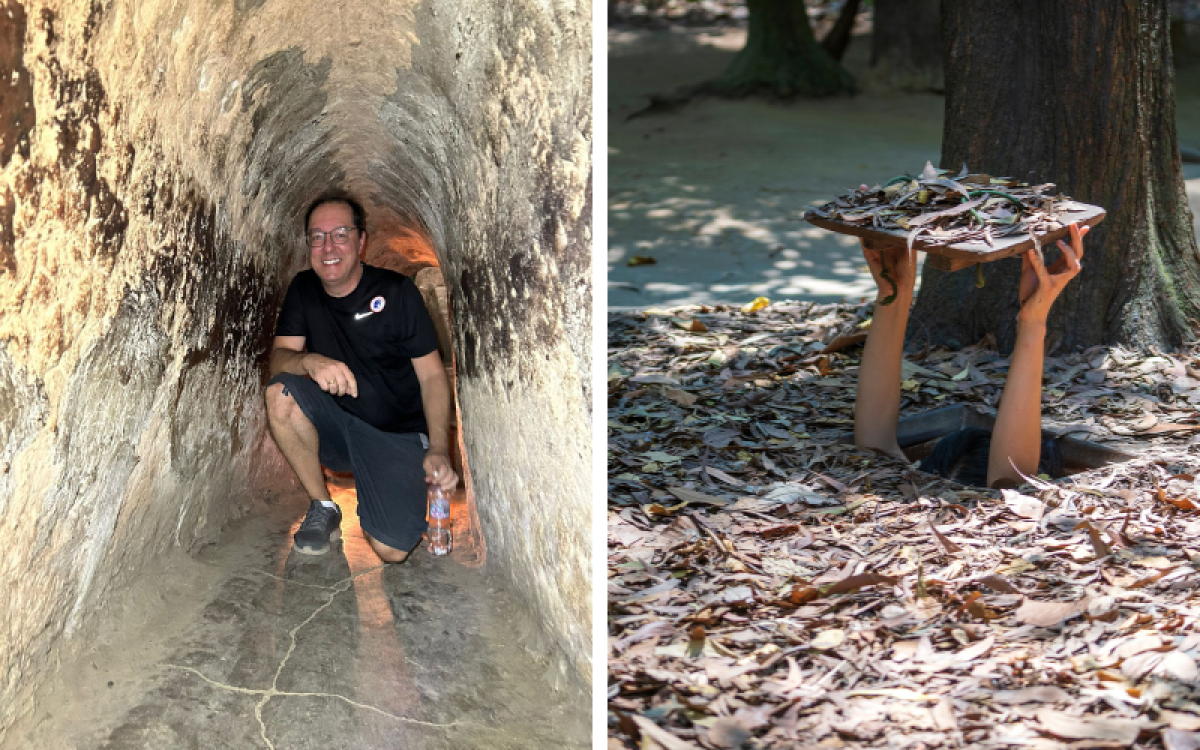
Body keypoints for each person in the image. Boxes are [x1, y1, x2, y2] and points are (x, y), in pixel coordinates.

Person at [264, 191, 459, 561]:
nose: (328, 246)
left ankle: (387, 484)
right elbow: (278, 360)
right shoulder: (303, 289)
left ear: (361, 240)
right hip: (338, 427)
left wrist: (438, 447)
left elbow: (433, 377)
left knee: (392, 550)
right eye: (317, 237)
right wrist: (309, 361)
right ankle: (323, 506)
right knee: (281, 393)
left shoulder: (397, 293)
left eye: (340, 234)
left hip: (395, 434)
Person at [853, 223, 1088, 489]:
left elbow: (1010, 482)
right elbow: (1011, 480)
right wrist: (894, 291)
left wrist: (894, 295)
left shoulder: (1008, 506)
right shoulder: (1007, 505)